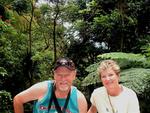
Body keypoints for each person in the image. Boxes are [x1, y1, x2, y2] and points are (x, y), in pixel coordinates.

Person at [13, 57, 87, 113]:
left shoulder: (79, 99)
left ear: (74, 75)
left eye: (67, 74)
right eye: (59, 74)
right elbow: (18, 100)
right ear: (54, 74)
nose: (63, 78)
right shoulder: (42, 89)